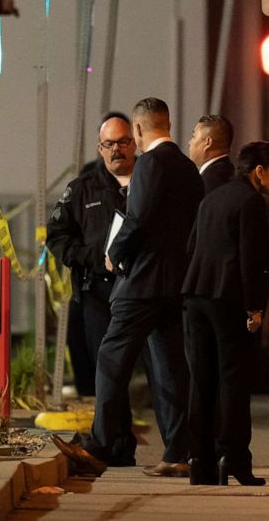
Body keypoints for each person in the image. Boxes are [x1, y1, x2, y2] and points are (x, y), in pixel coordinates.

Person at [53, 98, 203, 477]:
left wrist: (114, 255)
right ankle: (178, 452)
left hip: (140, 284)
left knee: (110, 359)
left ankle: (100, 446)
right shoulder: (188, 168)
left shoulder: (150, 164)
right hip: (174, 285)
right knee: (170, 369)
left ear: (138, 132)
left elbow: (138, 218)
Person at [181, 141, 269, 486]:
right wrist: (254, 308)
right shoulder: (251, 202)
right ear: (258, 172)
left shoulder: (213, 197)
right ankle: (234, 458)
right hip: (228, 301)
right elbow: (251, 258)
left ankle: (201, 462)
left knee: (202, 381)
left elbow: (192, 246)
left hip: (196, 297)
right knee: (234, 383)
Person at [47, 114, 135, 397]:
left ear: (134, 143)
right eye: (108, 143)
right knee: (103, 370)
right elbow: (57, 235)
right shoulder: (82, 189)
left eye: (122, 142)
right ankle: (111, 437)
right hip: (97, 291)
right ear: (100, 148)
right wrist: (90, 257)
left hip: (142, 289)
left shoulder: (148, 184)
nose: (116, 149)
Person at [187, 114, 235, 195]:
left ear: (208, 142)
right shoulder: (230, 172)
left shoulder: (209, 182)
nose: (189, 142)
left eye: (194, 136)